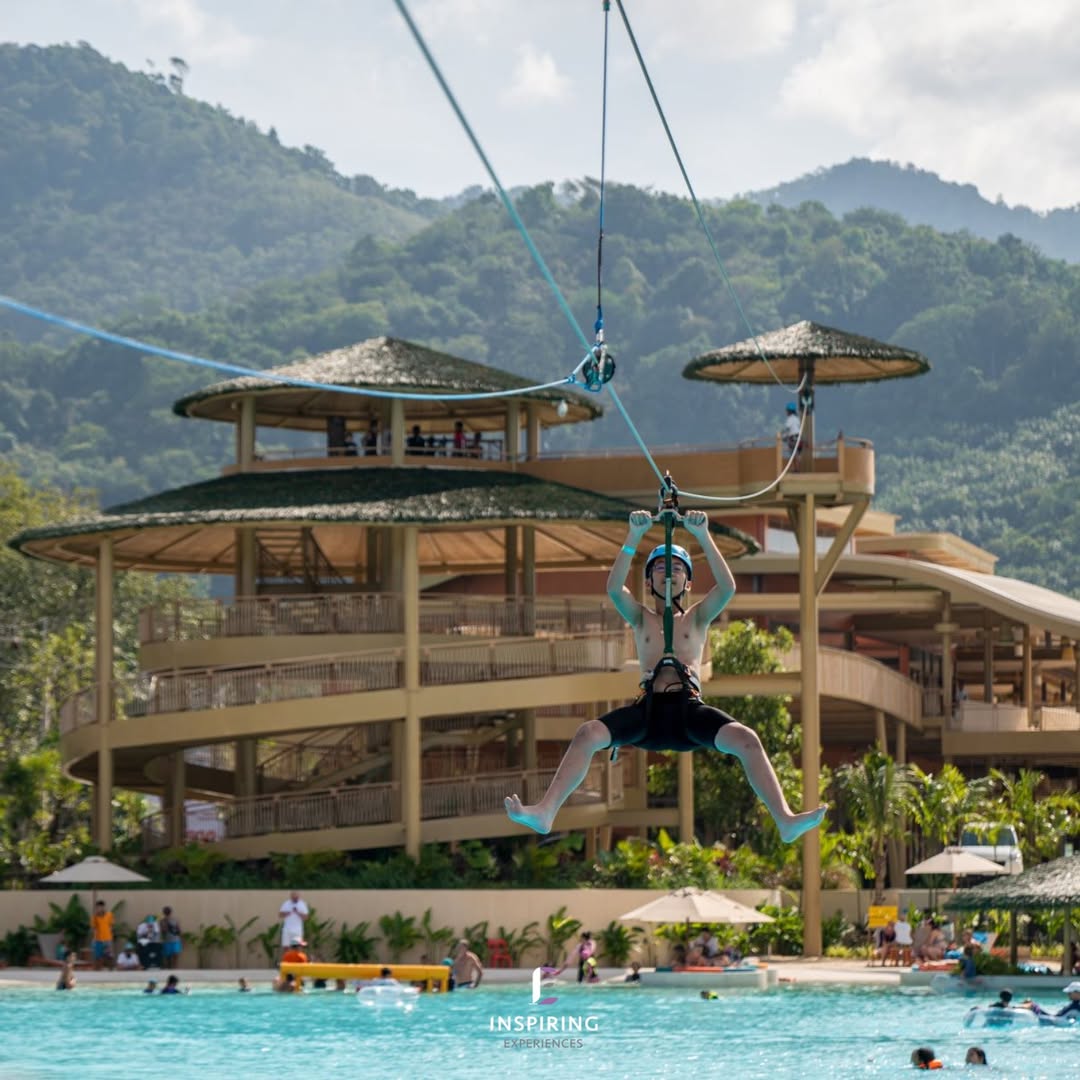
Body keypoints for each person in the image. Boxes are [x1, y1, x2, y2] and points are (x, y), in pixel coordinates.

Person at [505, 509, 827, 840]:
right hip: (647, 715)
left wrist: (702, 535)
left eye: (677, 569)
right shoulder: (640, 618)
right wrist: (634, 536)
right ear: (648, 581)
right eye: (660, 568)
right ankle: (546, 811)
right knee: (587, 734)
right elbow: (615, 589)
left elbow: (727, 588)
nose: (668, 573)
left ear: (688, 583)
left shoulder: (698, 618)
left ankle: (785, 819)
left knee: (747, 740)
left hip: (689, 714)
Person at [91, 899, 114, 970]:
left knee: (109, 955)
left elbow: (111, 926)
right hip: (98, 939)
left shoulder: (109, 915)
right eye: (97, 907)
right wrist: (94, 939)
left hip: (107, 938)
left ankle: (111, 970)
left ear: (103, 907)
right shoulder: (94, 917)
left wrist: (109, 936)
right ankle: (97, 970)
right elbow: (94, 929)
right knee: (98, 956)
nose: (99, 909)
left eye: (101, 907)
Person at [160, 906, 182, 970]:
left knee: (175, 955)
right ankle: (168, 968)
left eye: (167, 911)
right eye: (166, 911)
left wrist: (178, 934)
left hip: (175, 939)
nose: (167, 912)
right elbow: (163, 931)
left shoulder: (175, 920)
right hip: (168, 940)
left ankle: (175, 968)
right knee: (168, 956)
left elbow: (179, 930)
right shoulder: (162, 921)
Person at [782, 402, 801, 468]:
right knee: (797, 454)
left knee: (793, 454)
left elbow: (787, 428)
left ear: (789, 411)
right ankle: (797, 469)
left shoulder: (790, 419)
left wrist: (783, 436)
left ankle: (796, 469)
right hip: (798, 438)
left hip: (792, 438)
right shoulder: (797, 419)